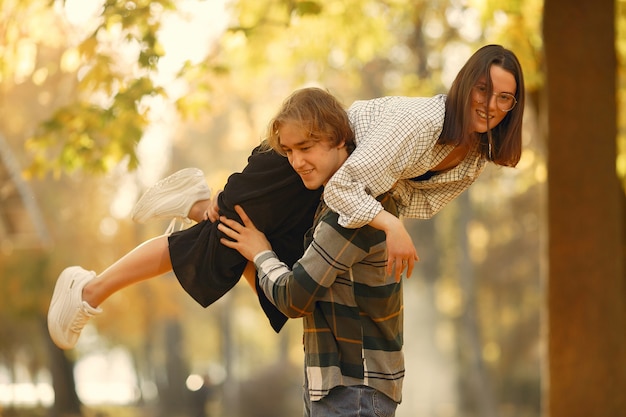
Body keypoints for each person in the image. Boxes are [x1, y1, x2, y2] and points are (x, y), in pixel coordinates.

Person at [47, 43, 525, 351]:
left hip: (331, 184)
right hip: (315, 154)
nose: (491, 105)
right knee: (219, 241)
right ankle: (88, 290)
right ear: (467, 84)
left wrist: (386, 216)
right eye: (484, 89)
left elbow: (412, 198)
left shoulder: (474, 155)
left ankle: (198, 204)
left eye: (506, 98)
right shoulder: (422, 123)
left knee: (285, 297)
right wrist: (388, 224)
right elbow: (350, 185)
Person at [217, 87, 404, 416]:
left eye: (305, 147)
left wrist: (261, 252)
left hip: (353, 391)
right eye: (288, 150)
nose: (296, 162)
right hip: (337, 388)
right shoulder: (333, 200)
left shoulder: (355, 211)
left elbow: (295, 298)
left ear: (338, 138)